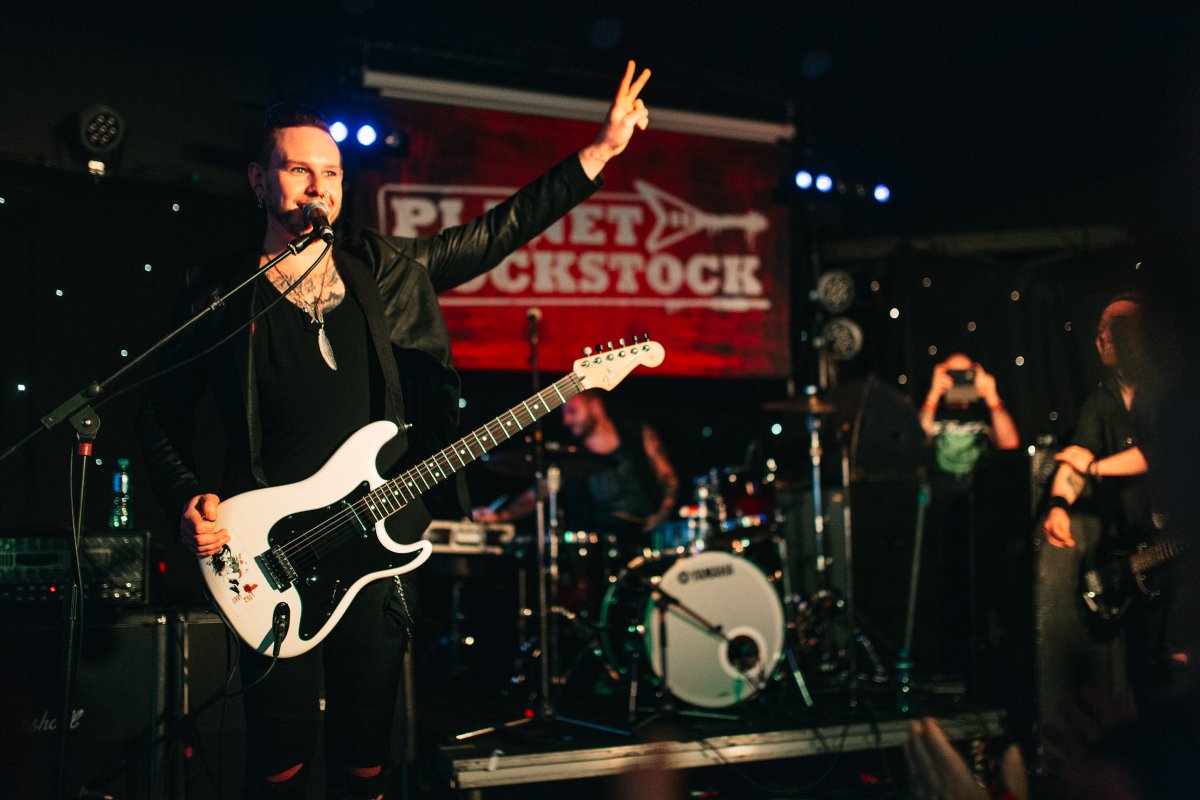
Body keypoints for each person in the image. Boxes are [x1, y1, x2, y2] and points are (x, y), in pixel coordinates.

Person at [137, 62, 651, 800]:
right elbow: (159, 413)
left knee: (364, 757)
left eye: (333, 174)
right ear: (257, 180)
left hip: (378, 554)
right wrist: (189, 497)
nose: (320, 187)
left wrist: (598, 153)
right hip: (268, 553)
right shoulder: (219, 297)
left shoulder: (383, 269)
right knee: (277, 761)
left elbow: (492, 236)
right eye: (299, 171)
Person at [914, 353, 1020, 680]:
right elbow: (916, 442)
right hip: (939, 515)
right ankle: (939, 667)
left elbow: (1010, 443)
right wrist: (933, 395)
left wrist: (991, 397)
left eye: (966, 374)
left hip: (981, 514)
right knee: (939, 592)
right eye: (953, 374)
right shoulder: (935, 411)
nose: (960, 381)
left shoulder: (983, 412)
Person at [475, 388, 680, 557]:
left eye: (572, 410)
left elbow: (667, 476)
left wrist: (663, 513)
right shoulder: (570, 455)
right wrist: (500, 515)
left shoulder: (638, 433)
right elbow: (536, 494)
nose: (566, 420)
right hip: (597, 551)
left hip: (647, 543)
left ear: (595, 405)